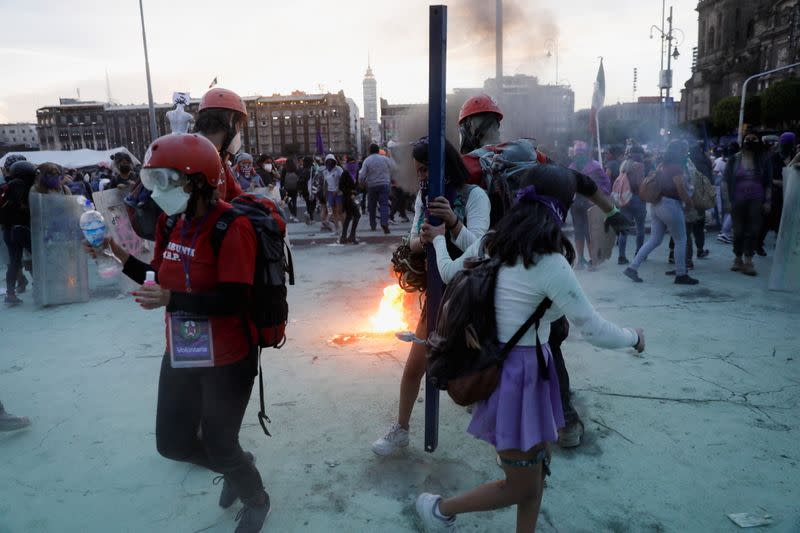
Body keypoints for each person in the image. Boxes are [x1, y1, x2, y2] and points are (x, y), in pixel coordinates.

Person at [415, 164, 645, 532]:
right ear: (559, 211)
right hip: (518, 376)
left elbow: (448, 273)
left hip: (525, 371)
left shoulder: (492, 243)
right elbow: (594, 330)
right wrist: (634, 337)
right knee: (520, 484)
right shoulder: (549, 262)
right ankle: (439, 509)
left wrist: (441, 238)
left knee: (535, 477)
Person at [83, 133, 270, 532]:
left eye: (166, 181)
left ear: (198, 181)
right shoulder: (173, 220)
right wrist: (118, 253)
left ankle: (255, 495)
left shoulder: (231, 227)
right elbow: (159, 276)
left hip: (229, 358)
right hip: (185, 348)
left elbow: (234, 300)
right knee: (173, 444)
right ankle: (239, 465)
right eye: (153, 181)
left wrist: (172, 299)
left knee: (220, 444)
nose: (157, 192)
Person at [372, 138, 490, 456]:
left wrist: (452, 223)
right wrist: (423, 236)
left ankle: (503, 436)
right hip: (439, 296)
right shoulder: (424, 198)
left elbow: (479, 248)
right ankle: (401, 429)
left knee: (482, 368)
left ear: (444, 167)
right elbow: (411, 241)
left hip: (474, 296)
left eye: (427, 169)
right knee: (415, 366)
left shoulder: (474, 196)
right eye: (419, 171)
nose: (422, 177)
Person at [624, 140, 699, 285]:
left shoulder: (662, 166)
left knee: (654, 240)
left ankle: (632, 267)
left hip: (656, 204)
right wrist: (689, 203)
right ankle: (681, 274)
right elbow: (680, 188)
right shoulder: (677, 168)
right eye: (684, 150)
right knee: (681, 240)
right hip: (671, 204)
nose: (686, 152)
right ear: (680, 151)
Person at [724, 134, 772, 276]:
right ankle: (738, 258)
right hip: (737, 200)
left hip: (756, 201)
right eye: (747, 139)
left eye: (754, 139)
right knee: (738, 231)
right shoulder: (734, 159)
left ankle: (749, 261)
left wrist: (768, 201)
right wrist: (726, 201)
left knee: (753, 230)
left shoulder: (764, 160)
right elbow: (725, 181)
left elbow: (768, 182)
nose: (750, 142)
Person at [193, 87, 246, 203]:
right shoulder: (193, 157)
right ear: (231, 119)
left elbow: (237, 196)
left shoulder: (218, 159)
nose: (239, 132)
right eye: (239, 125)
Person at [569, 141, 612, 270]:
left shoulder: (571, 167)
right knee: (588, 232)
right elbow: (606, 183)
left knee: (582, 232)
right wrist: (598, 197)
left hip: (580, 203)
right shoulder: (594, 165)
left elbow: (605, 184)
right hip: (586, 202)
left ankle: (583, 260)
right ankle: (589, 261)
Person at [1, 161, 37, 305]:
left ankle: (10, 295)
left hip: (8, 230)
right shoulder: (20, 185)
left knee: (14, 262)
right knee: (37, 257)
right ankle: (41, 286)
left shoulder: (8, 185)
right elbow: (24, 207)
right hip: (20, 229)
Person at [758, 132, 796, 254]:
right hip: (774, 195)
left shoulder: (795, 156)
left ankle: (782, 246)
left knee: (785, 223)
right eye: (786, 144)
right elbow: (764, 177)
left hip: (790, 195)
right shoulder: (772, 158)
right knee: (767, 222)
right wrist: (779, 182)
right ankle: (758, 244)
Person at [617, 145, 647, 265]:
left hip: (624, 198)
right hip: (636, 198)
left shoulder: (624, 164)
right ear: (639, 154)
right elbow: (639, 183)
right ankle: (639, 253)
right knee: (640, 227)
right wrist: (644, 196)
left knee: (624, 229)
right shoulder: (639, 165)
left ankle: (621, 256)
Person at [359, 143, 396, 234]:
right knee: (384, 205)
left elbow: (362, 175)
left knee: (372, 206)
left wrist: (362, 183)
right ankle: (384, 223)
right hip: (384, 184)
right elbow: (394, 168)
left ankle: (373, 224)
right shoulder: (385, 159)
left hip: (372, 185)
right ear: (378, 150)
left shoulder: (367, 160)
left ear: (369, 151)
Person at [338, 164, 361, 244]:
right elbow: (341, 186)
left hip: (354, 197)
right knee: (356, 215)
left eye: (353, 163)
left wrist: (355, 192)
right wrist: (349, 193)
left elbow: (357, 185)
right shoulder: (345, 173)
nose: (352, 165)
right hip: (347, 198)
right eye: (350, 163)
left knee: (349, 216)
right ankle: (350, 236)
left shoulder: (356, 172)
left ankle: (344, 237)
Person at [321, 154, 343, 232]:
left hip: (338, 193)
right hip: (330, 193)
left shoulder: (338, 169)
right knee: (333, 211)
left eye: (331, 161)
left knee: (340, 211)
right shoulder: (325, 171)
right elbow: (325, 183)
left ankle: (343, 228)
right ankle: (336, 228)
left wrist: (337, 190)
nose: (329, 163)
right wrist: (325, 192)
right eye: (328, 161)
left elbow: (342, 180)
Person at [281, 157, 301, 222]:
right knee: (294, 202)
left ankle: (292, 214)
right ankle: (295, 216)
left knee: (289, 202)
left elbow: (282, 179)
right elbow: (299, 179)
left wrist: (282, 187)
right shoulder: (296, 169)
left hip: (287, 188)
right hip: (295, 188)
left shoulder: (284, 169)